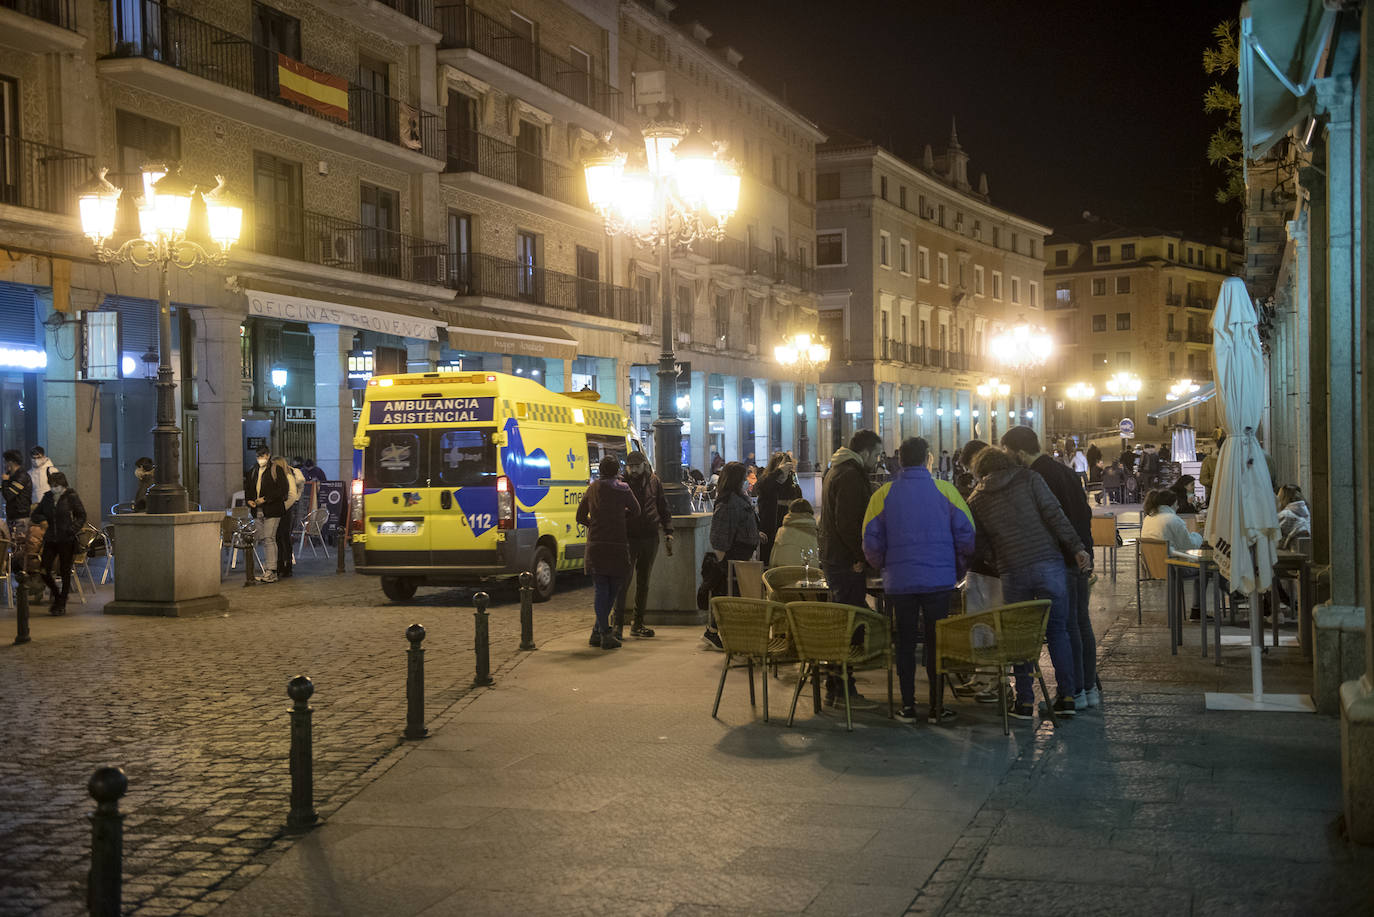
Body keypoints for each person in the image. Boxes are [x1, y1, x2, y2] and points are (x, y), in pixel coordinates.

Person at [967, 447, 1090, 721]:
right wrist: (1076, 547)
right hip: (1049, 564)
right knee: (1058, 630)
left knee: (1019, 635)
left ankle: (1024, 702)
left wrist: (999, 560)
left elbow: (979, 545)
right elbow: (1055, 515)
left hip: (1013, 571)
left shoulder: (976, 498)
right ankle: (1067, 697)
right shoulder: (1030, 479)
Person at [863, 437, 975, 724]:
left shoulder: (883, 495)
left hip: (900, 582)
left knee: (905, 642)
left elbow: (869, 542)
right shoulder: (947, 491)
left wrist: (886, 566)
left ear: (899, 460)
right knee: (937, 641)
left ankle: (908, 706)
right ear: (929, 458)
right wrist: (956, 569)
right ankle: (937, 707)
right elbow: (967, 537)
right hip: (939, 580)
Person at [1003, 426, 1099, 711]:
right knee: (1081, 623)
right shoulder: (1064, 471)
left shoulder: (1036, 477)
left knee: (1067, 626)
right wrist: (1084, 550)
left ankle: (1076, 692)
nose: (1007, 457)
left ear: (1019, 452)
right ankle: (1088, 689)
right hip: (1081, 555)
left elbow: (1049, 519)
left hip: (1062, 559)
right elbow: (1084, 512)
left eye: (1008, 451)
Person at [576, 455, 640, 651]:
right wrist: (620, 517)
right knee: (613, 589)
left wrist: (594, 524)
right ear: (617, 470)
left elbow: (580, 516)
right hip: (617, 544)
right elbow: (636, 510)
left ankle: (599, 630)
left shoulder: (592, 488)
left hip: (596, 544)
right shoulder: (623, 488)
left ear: (601, 470)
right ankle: (604, 632)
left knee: (600, 588)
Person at [613, 451, 672, 640]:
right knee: (624, 581)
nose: (634, 470)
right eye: (631, 466)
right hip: (629, 537)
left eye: (637, 466)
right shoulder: (622, 483)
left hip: (649, 536)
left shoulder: (654, 481)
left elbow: (662, 506)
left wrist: (668, 531)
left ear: (644, 465)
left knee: (643, 582)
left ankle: (637, 623)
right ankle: (617, 625)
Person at [820, 430, 882, 607]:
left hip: (835, 557)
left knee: (847, 614)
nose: (877, 460)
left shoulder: (837, 470)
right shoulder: (850, 475)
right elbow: (847, 523)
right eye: (876, 455)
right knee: (852, 615)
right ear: (864, 453)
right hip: (845, 561)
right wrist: (860, 556)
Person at [703, 461, 760, 648]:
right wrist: (724, 562)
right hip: (733, 557)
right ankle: (716, 632)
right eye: (744, 477)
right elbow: (719, 535)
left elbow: (739, 525)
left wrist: (755, 535)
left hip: (741, 555)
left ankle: (720, 632)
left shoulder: (737, 498)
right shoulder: (728, 502)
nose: (746, 480)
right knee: (730, 596)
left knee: (734, 596)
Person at [29, 471, 86, 615]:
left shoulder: (71, 497)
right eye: (52, 485)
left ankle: (61, 602)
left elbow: (81, 515)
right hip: (50, 538)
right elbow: (35, 514)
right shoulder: (48, 497)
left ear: (63, 485)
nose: (54, 488)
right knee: (44, 569)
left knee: (65, 570)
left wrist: (72, 529)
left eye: (56, 485)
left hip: (66, 539)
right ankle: (57, 594)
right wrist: (43, 519)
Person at [244, 445, 288, 583]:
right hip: (258, 511)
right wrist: (249, 501)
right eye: (258, 456)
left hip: (272, 510)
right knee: (264, 539)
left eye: (262, 456)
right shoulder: (253, 471)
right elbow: (249, 489)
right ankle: (269, 568)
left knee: (269, 538)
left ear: (268, 455)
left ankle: (272, 570)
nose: (260, 458)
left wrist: (265, 499)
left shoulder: (276, 470)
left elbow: (282, 489)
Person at [752, 451, 802, 566]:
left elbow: (798, 496)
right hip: (769, 529)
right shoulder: (767, 479)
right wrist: (778, 472)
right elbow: (761, 487)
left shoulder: (791, 479)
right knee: (768, 562)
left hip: (788, 529)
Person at [274, 456, 305, 578]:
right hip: (286, 508)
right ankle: (282, 564)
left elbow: (292, 495)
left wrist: (283, 507)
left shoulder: (288, 476)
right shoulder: (288, 474)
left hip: (286, 509)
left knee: (284, 537)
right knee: (281, 538)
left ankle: (286, 566)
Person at [770, 498, 819, 568]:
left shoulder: (781, 531)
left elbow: (773, 559)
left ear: (790, 511)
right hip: (807, 574)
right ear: (810, 512)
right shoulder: (814, 533)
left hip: (780, 574)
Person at [1276, 484, 1311, 551]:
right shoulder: (1307, 513)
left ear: (1283, 498)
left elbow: (1276, 543)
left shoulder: (1285, 515)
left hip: (1292, 555)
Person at [3, 449, 30, 526]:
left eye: (5, 462)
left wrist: (5, 481)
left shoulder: (21, 476)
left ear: (11, 462)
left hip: (20, 517)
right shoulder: (12, 476)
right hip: (13, 515)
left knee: (19, 538)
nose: (4, 465)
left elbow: (9, 495)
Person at [1199, 433, 1223, 506]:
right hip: (1214, 495)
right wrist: (1216, 481)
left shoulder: (1234, 460)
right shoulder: (1209, 460)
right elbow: (1203, 479)